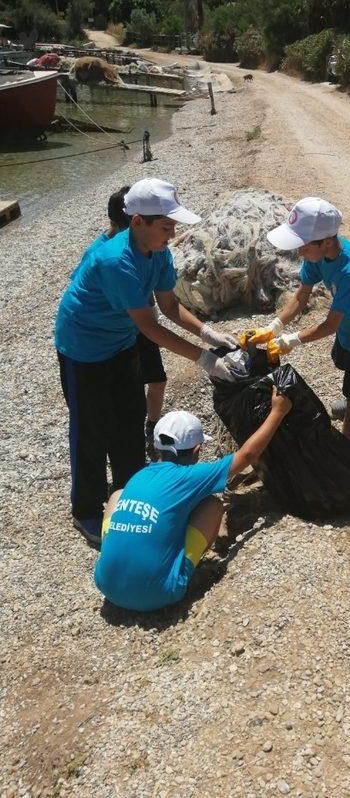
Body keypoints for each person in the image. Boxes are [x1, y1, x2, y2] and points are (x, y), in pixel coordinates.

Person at [55, 178, 237, 548]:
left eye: (173, 227)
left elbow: (169, 306)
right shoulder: (115, 261)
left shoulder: (158, 253)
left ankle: (129, 489)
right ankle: (87, 510)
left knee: (129, 415)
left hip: (120, 343)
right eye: (166, 227)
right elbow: (150, 327)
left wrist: (207, 333)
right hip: (83, 347)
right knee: (90, 428)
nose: (172, 235)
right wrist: (204, 360)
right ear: (137, 222)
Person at [94, 391, 291, 612]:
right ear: (197, 450)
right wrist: (278, 411)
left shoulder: (139, 476)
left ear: (158, 447)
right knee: (213, 505)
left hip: (107, 587)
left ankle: (116, 559)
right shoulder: (191, 476)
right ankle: (186, 568)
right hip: (159, 593)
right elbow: (246, 455)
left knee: (117, 496)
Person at [250, 197, 350, 439]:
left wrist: (291, 340)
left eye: (303, 245)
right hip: (347, 326)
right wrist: (275, 326)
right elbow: (300, 297)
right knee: (345, 364)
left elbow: (331, 324)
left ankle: (348, 441)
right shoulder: (318, 256)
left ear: (327, 241)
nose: (299, 250)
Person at [76, 186, 169, 459]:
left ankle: (150, 429)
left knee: (158, 379)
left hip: (141, 323)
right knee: (122, 397)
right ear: (125, 223)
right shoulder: (103, 254)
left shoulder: (147, 244)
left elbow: (153, 289)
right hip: (116, 332)